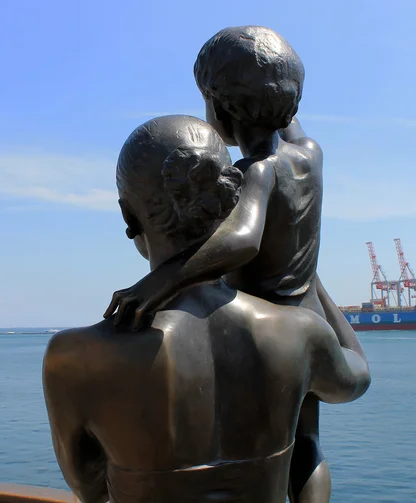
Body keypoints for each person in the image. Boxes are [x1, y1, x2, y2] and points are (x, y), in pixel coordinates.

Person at [43, 115, 371, 503]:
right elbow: (357, 376)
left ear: (129, 218)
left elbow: (88, 486)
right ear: (230, 203)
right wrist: (307, 273)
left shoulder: (76, 358)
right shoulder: (300, 332)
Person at [103, 26, 368, 503]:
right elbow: (283, 106)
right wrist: (261, 77)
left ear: (220, 109)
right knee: (305, 442)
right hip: (307, 314)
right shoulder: (311, 154)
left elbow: (242, 240)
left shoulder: (255, 172)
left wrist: (159, 282)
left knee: (260, 439)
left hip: (265, 327)